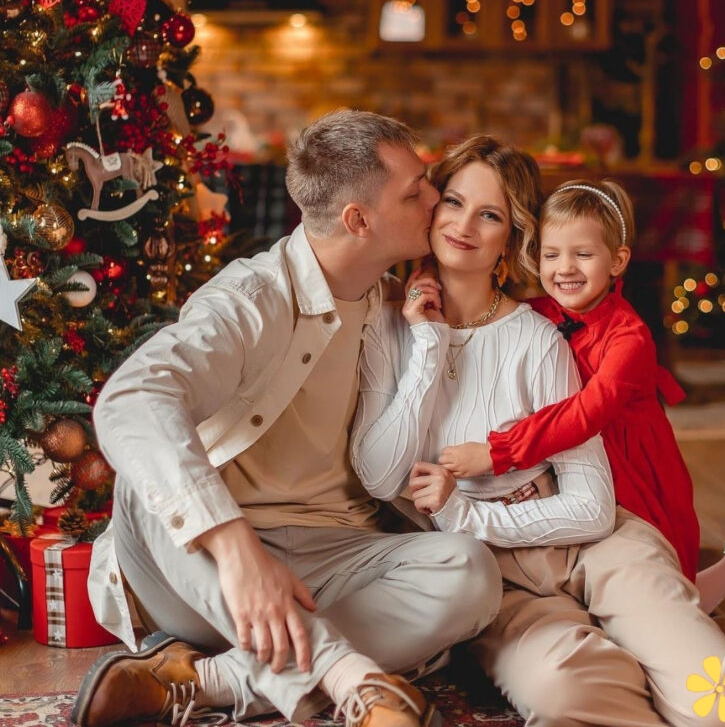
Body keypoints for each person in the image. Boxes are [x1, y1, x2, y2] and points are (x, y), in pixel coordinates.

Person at [72, 109, 503, 727]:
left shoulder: (404, 304)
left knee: (470, 572)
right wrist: (238, 550)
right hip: (207, 573)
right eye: (416, 192)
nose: (436, 201)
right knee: (144, 487)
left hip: (339, 558)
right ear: (359, 220)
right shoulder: (250, 299)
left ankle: (202, 681)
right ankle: (349, 678)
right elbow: (130, 399)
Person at [351, 135, 725, 727]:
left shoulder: (539, 337)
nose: (464, 224)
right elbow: (377, 474)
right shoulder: (386, 326)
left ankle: (690, 662)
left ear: (511, 237)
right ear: (430, 207)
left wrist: (471, 515)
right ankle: (656, 659)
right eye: (453, 202)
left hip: (598, 549)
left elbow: (594, 507)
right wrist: (428, 345)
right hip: (498, 583)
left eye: (489, 214)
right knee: (566, 696)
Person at [438, 178, 725, 612]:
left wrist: (496, 453)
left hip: (629, 467)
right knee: (597, 578)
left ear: (617, 261)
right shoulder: (537, 312)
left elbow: (586, 413)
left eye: (584, 254)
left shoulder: (629, 339)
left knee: (662, 591)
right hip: (571, 464)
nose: (565, 268)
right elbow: (484, 306)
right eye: (552, 255)